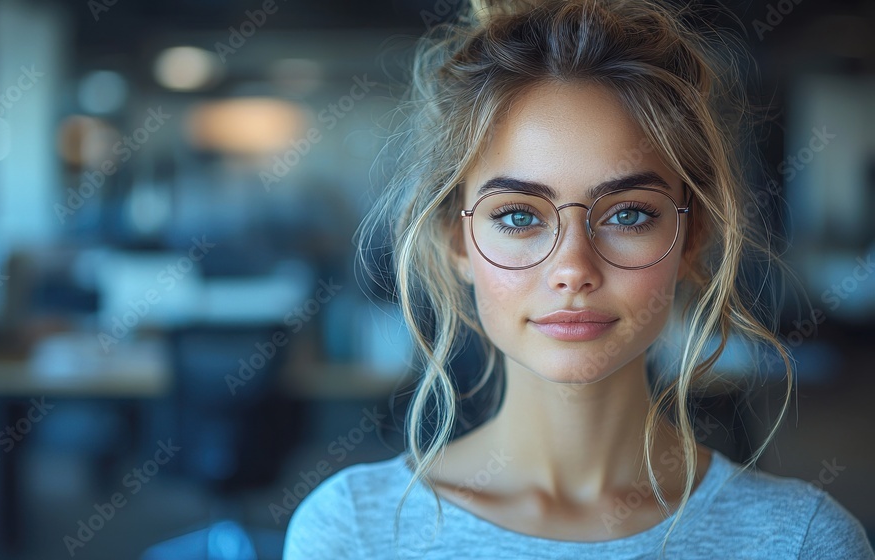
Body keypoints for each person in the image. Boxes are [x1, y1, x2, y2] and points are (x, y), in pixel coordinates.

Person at [284, 0, 875, 558]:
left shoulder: (800, 541)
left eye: (628, 214)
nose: (572, 268)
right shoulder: (352, 533)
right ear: (456, 241)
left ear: (691, 239)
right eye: (518, 216)